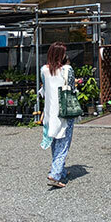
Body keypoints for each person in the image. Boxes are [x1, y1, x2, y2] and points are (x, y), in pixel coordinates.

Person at [41, 42, 76, 188]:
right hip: (64, 110)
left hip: (50, 111)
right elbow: (72, 87)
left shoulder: (44, 70)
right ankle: (55, 174)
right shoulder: (67, 69)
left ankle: (60, 171)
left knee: (55, 141)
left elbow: (43, 88)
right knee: (63, 143)